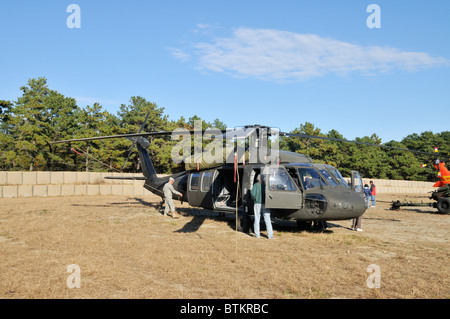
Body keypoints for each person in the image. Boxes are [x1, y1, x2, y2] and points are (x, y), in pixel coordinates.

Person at [251, 174, 273, 239]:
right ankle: (270, 235)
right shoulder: (266, 185)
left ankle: (257, 235)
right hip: (266, 203)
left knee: (257, 218)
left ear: (258, 178)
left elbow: (252, 194)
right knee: (267, 219)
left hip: (257, 203)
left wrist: (255, 199)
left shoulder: (255, 185)